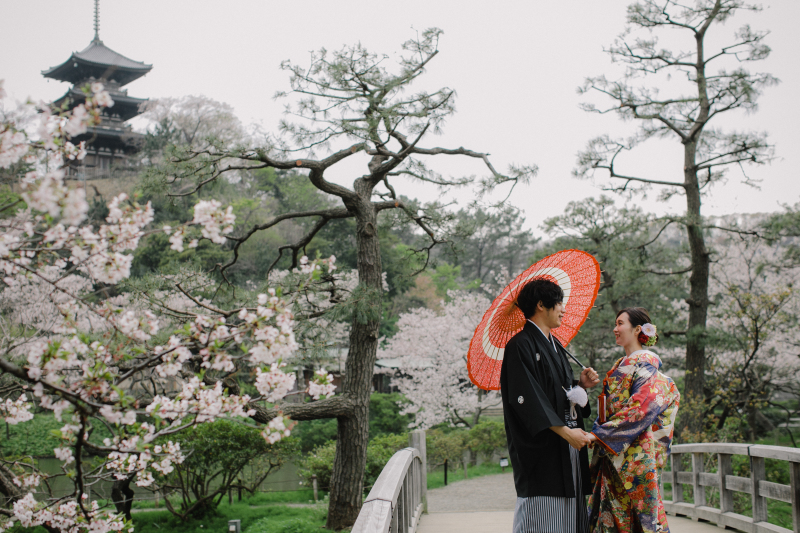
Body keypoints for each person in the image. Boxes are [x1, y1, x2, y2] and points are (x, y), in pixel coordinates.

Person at [500, 278, 601, 533]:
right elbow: (528, 399)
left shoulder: (555, 345)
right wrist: (566, 433)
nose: (563, 310)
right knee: (543, 519)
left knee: (570, 521)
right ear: (541, 305)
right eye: (559, 303)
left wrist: (580, 385)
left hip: (568, 443)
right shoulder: (519, 345)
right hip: (545, 449)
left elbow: (558, 393)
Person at [586, 308, 680, 533]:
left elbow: (641, 409)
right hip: (613, 452)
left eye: (620, 323)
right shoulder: (622, 366)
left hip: (635, 455)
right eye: (615, 323)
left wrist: (600, 434)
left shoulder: (646, 366)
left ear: (637, 329)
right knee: (610, 516)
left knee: (636, 518)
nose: (615, 328)